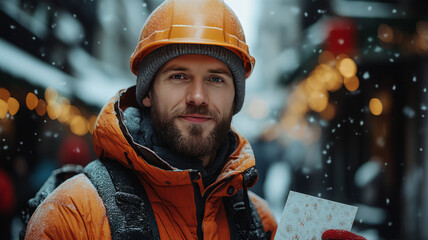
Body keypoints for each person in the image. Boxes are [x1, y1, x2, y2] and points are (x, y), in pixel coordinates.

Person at [24, 0, 366, 239]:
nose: (198, 96)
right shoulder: (72, 215)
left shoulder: (257, 223)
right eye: (178, 76)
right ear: (146, 92)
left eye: (216, 79)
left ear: (236, 99)